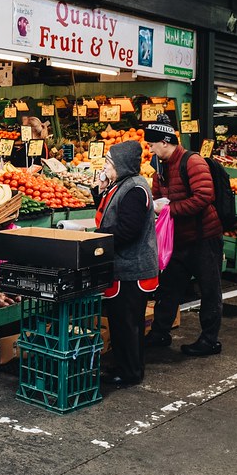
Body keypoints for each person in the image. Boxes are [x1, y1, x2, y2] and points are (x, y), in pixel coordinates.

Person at [144, 114, 224, 357]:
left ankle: (209, 340)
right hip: (177, 239)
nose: (149, 148)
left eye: (152, 144)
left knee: (209, 289)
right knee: (168, 288)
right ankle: (160, 332)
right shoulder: (159, 166)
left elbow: (204, 197)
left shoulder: (193, 162)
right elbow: (158, 195)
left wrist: (170, 209)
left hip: (204, 238)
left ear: (165, 142)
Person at [94, 141, 159, 387]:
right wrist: (99, 189)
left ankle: (131, 373)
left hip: (132, 269)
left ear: (121, 165)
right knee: (121, 322)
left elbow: (128, 230)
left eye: (109, 163)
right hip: (122, 267)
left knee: (128, 323)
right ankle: (124, 366)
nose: (105, 166)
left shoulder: (134, 189)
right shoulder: (121, 184)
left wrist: (98, 239)